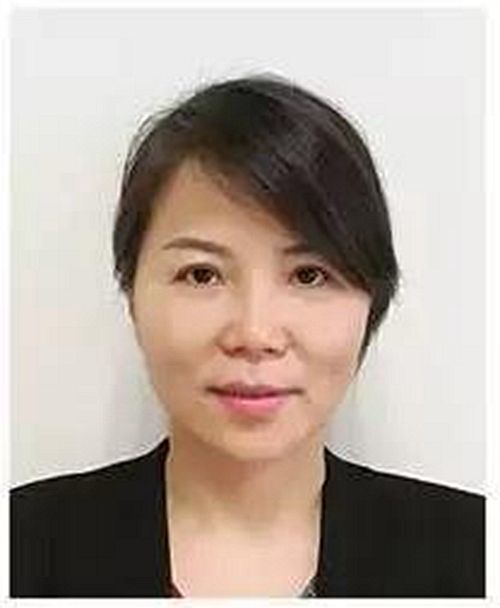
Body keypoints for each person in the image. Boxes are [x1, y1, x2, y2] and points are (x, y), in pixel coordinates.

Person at [10, 72, 485, 598]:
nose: (255, 334)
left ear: (372, 299)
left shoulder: (474, 554)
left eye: (309, 275)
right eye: (201, 274)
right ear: (133, 294)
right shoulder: (24, 548)